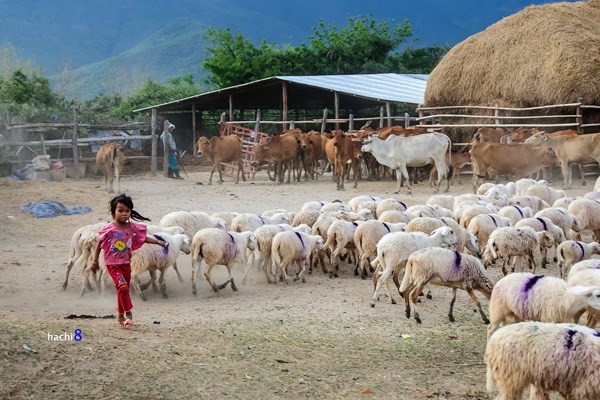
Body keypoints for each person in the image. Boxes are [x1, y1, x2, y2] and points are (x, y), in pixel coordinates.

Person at [91, 193, 168, 329]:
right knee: (123, 287)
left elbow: (143, 238)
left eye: (127, 211)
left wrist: (159, 242)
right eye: (120, 211)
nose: (124, 214)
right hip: (112, 264)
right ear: (114, 211)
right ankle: (129, 315)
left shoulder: (132, 228)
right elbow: (99, 243)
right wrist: (95, 261)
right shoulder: (109, 228)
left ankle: (120, 314)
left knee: (123, 290)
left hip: (126, 263)